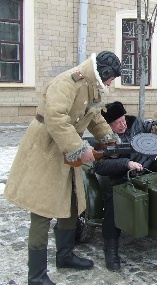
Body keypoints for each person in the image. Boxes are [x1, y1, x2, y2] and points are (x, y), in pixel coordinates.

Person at [4, 51, 122, 285]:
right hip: (47, 148)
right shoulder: (68, 82)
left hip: (69, 148)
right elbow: (56, 118)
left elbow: (95, 116)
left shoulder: (93, 85)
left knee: (71, 201)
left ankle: (65, 255)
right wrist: (79, 148)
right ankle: (36, 276)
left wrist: (109, 138)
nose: (111, 83)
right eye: (111, 78)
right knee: (42, 209)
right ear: (104, 73)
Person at [93, 101, 157, 271]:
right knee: (114, 203)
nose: (122, 125)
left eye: (122, 120)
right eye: (116, 123)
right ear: (108, 125)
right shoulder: (105, 137)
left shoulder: (135, 123)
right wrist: (126, 163)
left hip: (145, 168)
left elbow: (150, 125)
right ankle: (111, 248)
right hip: (122, 177)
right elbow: (100, 166)